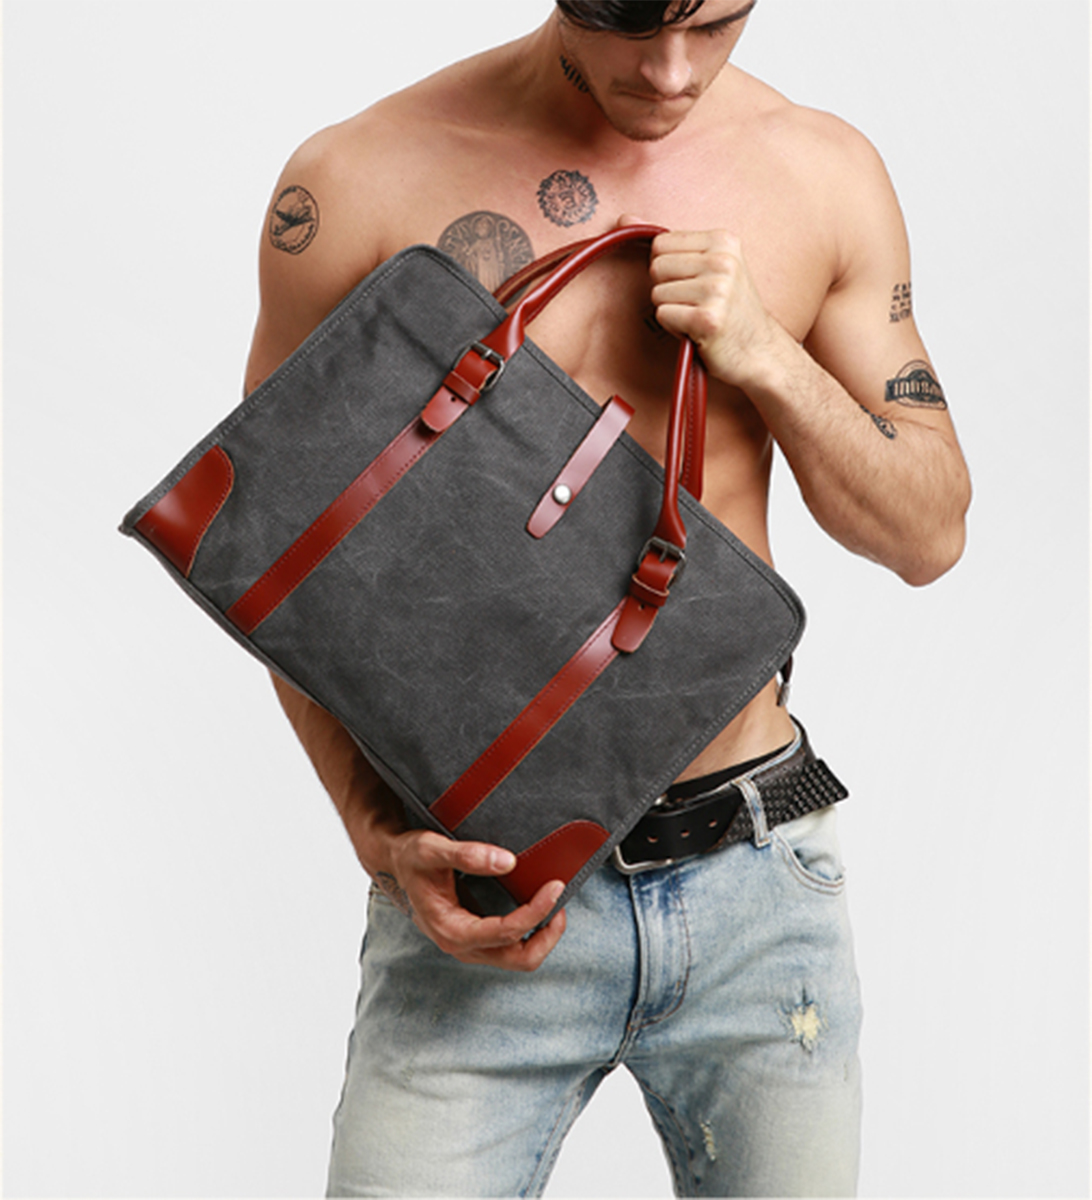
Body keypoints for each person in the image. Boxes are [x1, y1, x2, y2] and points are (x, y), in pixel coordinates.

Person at [244, 1, 971, 1194]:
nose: (673, 72)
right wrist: (372, 827)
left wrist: (765, 354)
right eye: (632, 21)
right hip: (489, 891)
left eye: (718, 22)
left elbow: (928, 530)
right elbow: (275, 558)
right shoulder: (362, 180)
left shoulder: (819, 176)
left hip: (754, 879)